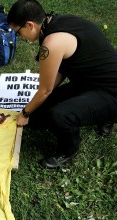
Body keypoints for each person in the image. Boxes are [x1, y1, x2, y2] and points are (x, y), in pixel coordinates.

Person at [7, 0, 117, 169]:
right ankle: (102, 114)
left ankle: (69, 149)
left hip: (110, 91)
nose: (18, 37)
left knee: (59, 115)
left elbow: (45, 89)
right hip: (88, 81)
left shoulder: (52, 43)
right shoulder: (55, 22)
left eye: (18, 32)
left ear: (29, 25)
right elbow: (57, 74)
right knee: (39, 116)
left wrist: (25, 112)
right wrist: (39, 104)